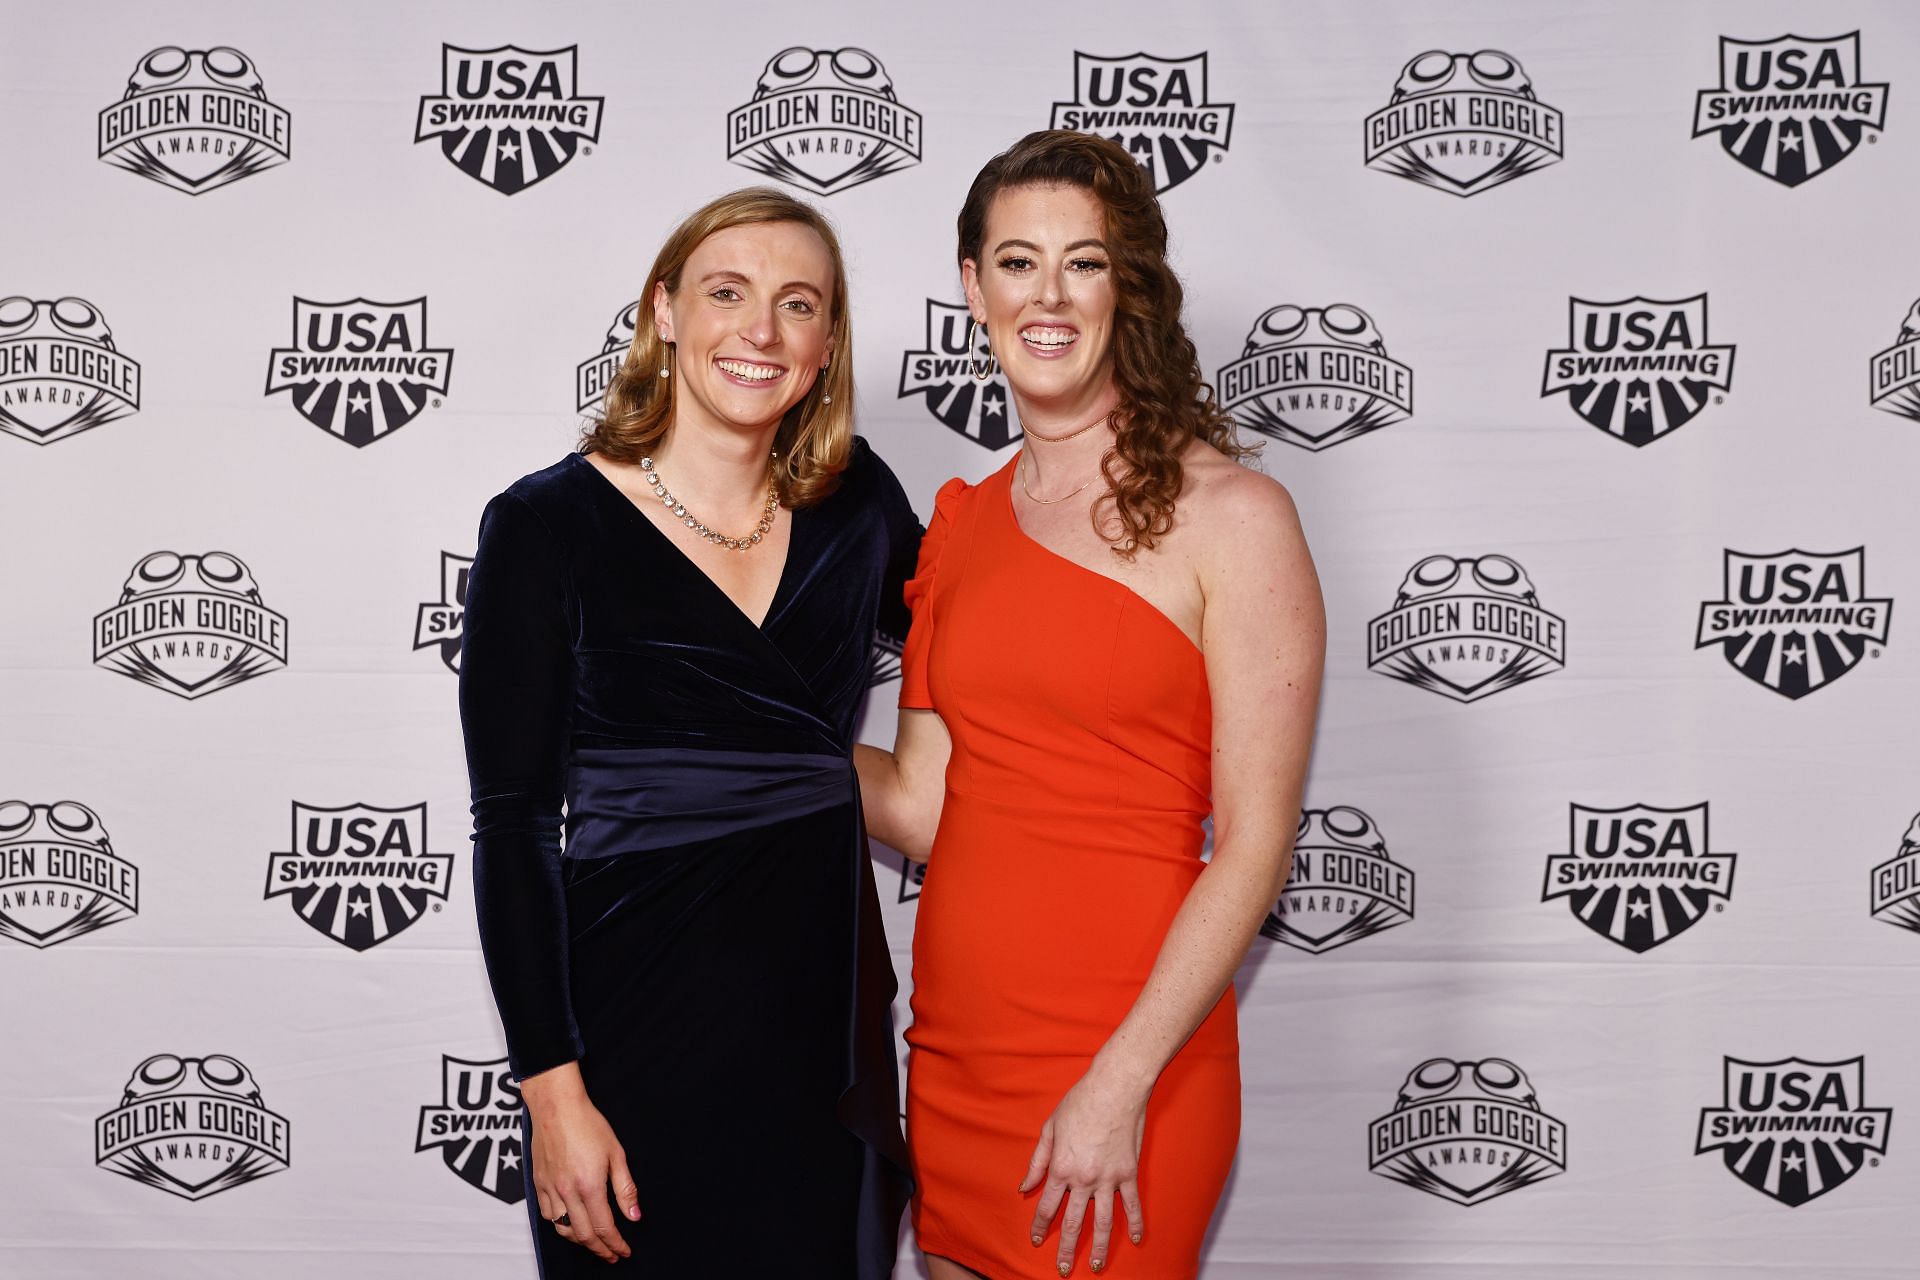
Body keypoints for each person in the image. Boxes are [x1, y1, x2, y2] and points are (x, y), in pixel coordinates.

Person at [857, 131, 1325, 1279]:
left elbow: (1257, 843)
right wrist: (731, 733)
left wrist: (1118, 1083)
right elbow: (923, 800)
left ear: (1132, 285)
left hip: (1131, 1061)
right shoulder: (963, 520)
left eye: (1085, 262)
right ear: (974, 287)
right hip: (959, 1050)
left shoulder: (1235, 515)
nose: (1048, 296)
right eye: (1018, 263)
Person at [460, 187, 916, 1277]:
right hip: (628, 1047)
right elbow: (513, 826)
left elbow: (996, 648)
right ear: (665, 311)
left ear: (826, 342)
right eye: (728, 292)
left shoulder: (859, 509)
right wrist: (553, 1092)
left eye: (797, 303)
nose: (760, 330)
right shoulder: (544, 526)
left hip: (823, 1040)